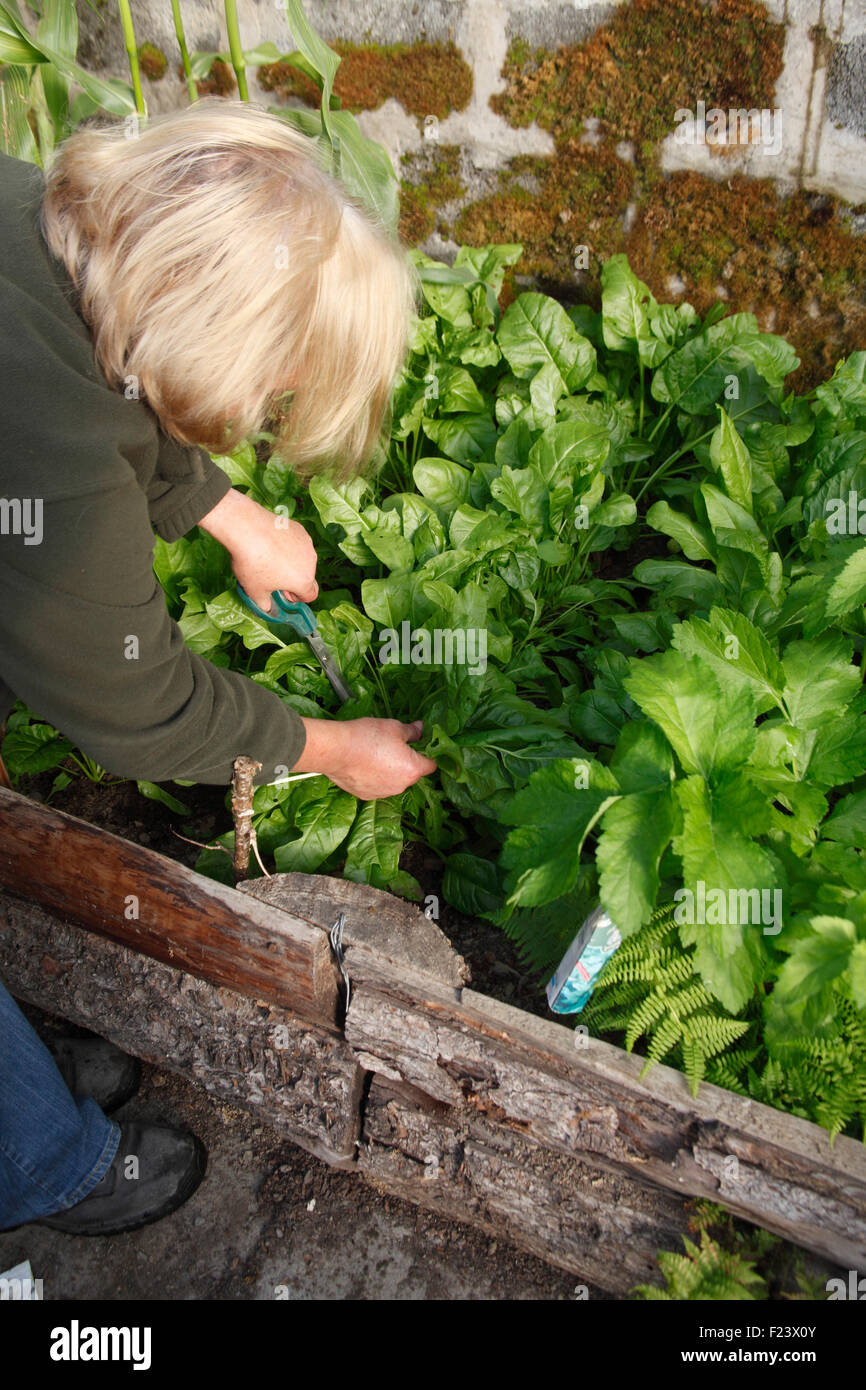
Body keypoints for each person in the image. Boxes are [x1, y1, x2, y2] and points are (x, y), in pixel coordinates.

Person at [0, 98, 436, 1235]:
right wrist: (329, 749)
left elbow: (102, 357)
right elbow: (133, 702)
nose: (261, 415)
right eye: (273, 393)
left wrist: (226, 511)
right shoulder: (53, 471)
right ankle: (42, 1161)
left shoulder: (37, 218)